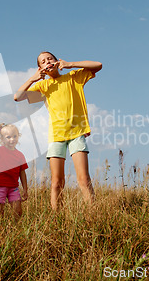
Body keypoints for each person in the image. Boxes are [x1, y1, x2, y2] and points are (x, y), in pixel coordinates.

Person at [14, 51, 102, 210]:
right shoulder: (43, 86)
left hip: (77, 134)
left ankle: (93, 215)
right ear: (40, 68)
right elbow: (17, 97)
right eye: (43, 62)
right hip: (56, 136)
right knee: (56, 182)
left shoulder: (73, 77)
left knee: (83, 179)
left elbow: (98, 65)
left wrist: (70, 64)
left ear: (57, 61)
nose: (47, 62)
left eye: (50, 59)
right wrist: (33, 78)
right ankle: (57, 219)